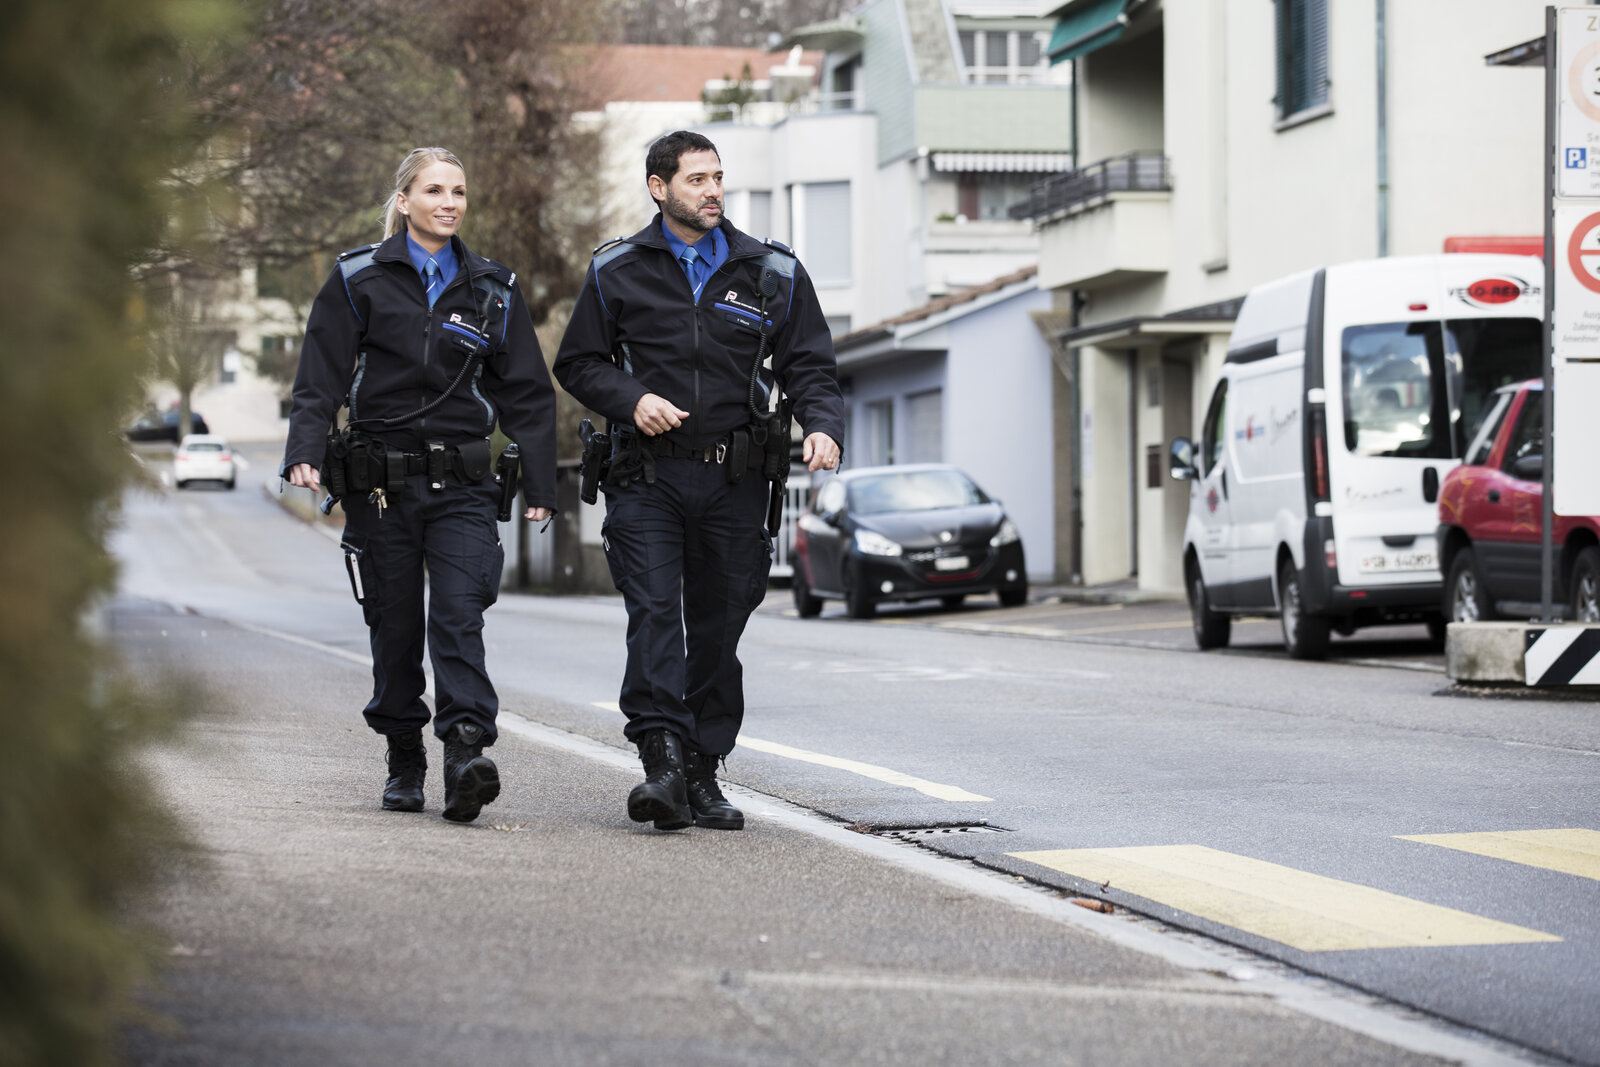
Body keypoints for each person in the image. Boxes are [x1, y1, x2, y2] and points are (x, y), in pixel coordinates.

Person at [554, 130, 844, 832]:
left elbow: (810, 361)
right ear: (660, 188)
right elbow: (580, 362)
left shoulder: (771, 270)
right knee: (655, 614)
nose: (713, 189)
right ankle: (660, 763)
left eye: (718, 177)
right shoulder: (617, 269)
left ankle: (703, 769)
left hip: (736, 481)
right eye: (696, 179)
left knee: (717, 631)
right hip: (647, 477)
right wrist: (631, 400)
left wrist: (823, 424)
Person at [281, 147, 557, 823]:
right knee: (395, 626)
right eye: (434, 189)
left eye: (458, 191)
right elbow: (319, 375)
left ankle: (466, 753)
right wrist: (304, 451)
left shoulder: (493, 287)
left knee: (460, 614)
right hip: (381, 485)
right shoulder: (359, 278)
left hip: (462, 483)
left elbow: (527, 393)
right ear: (404, 201)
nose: (449, 202)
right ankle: (405, 752)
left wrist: (543, 479)